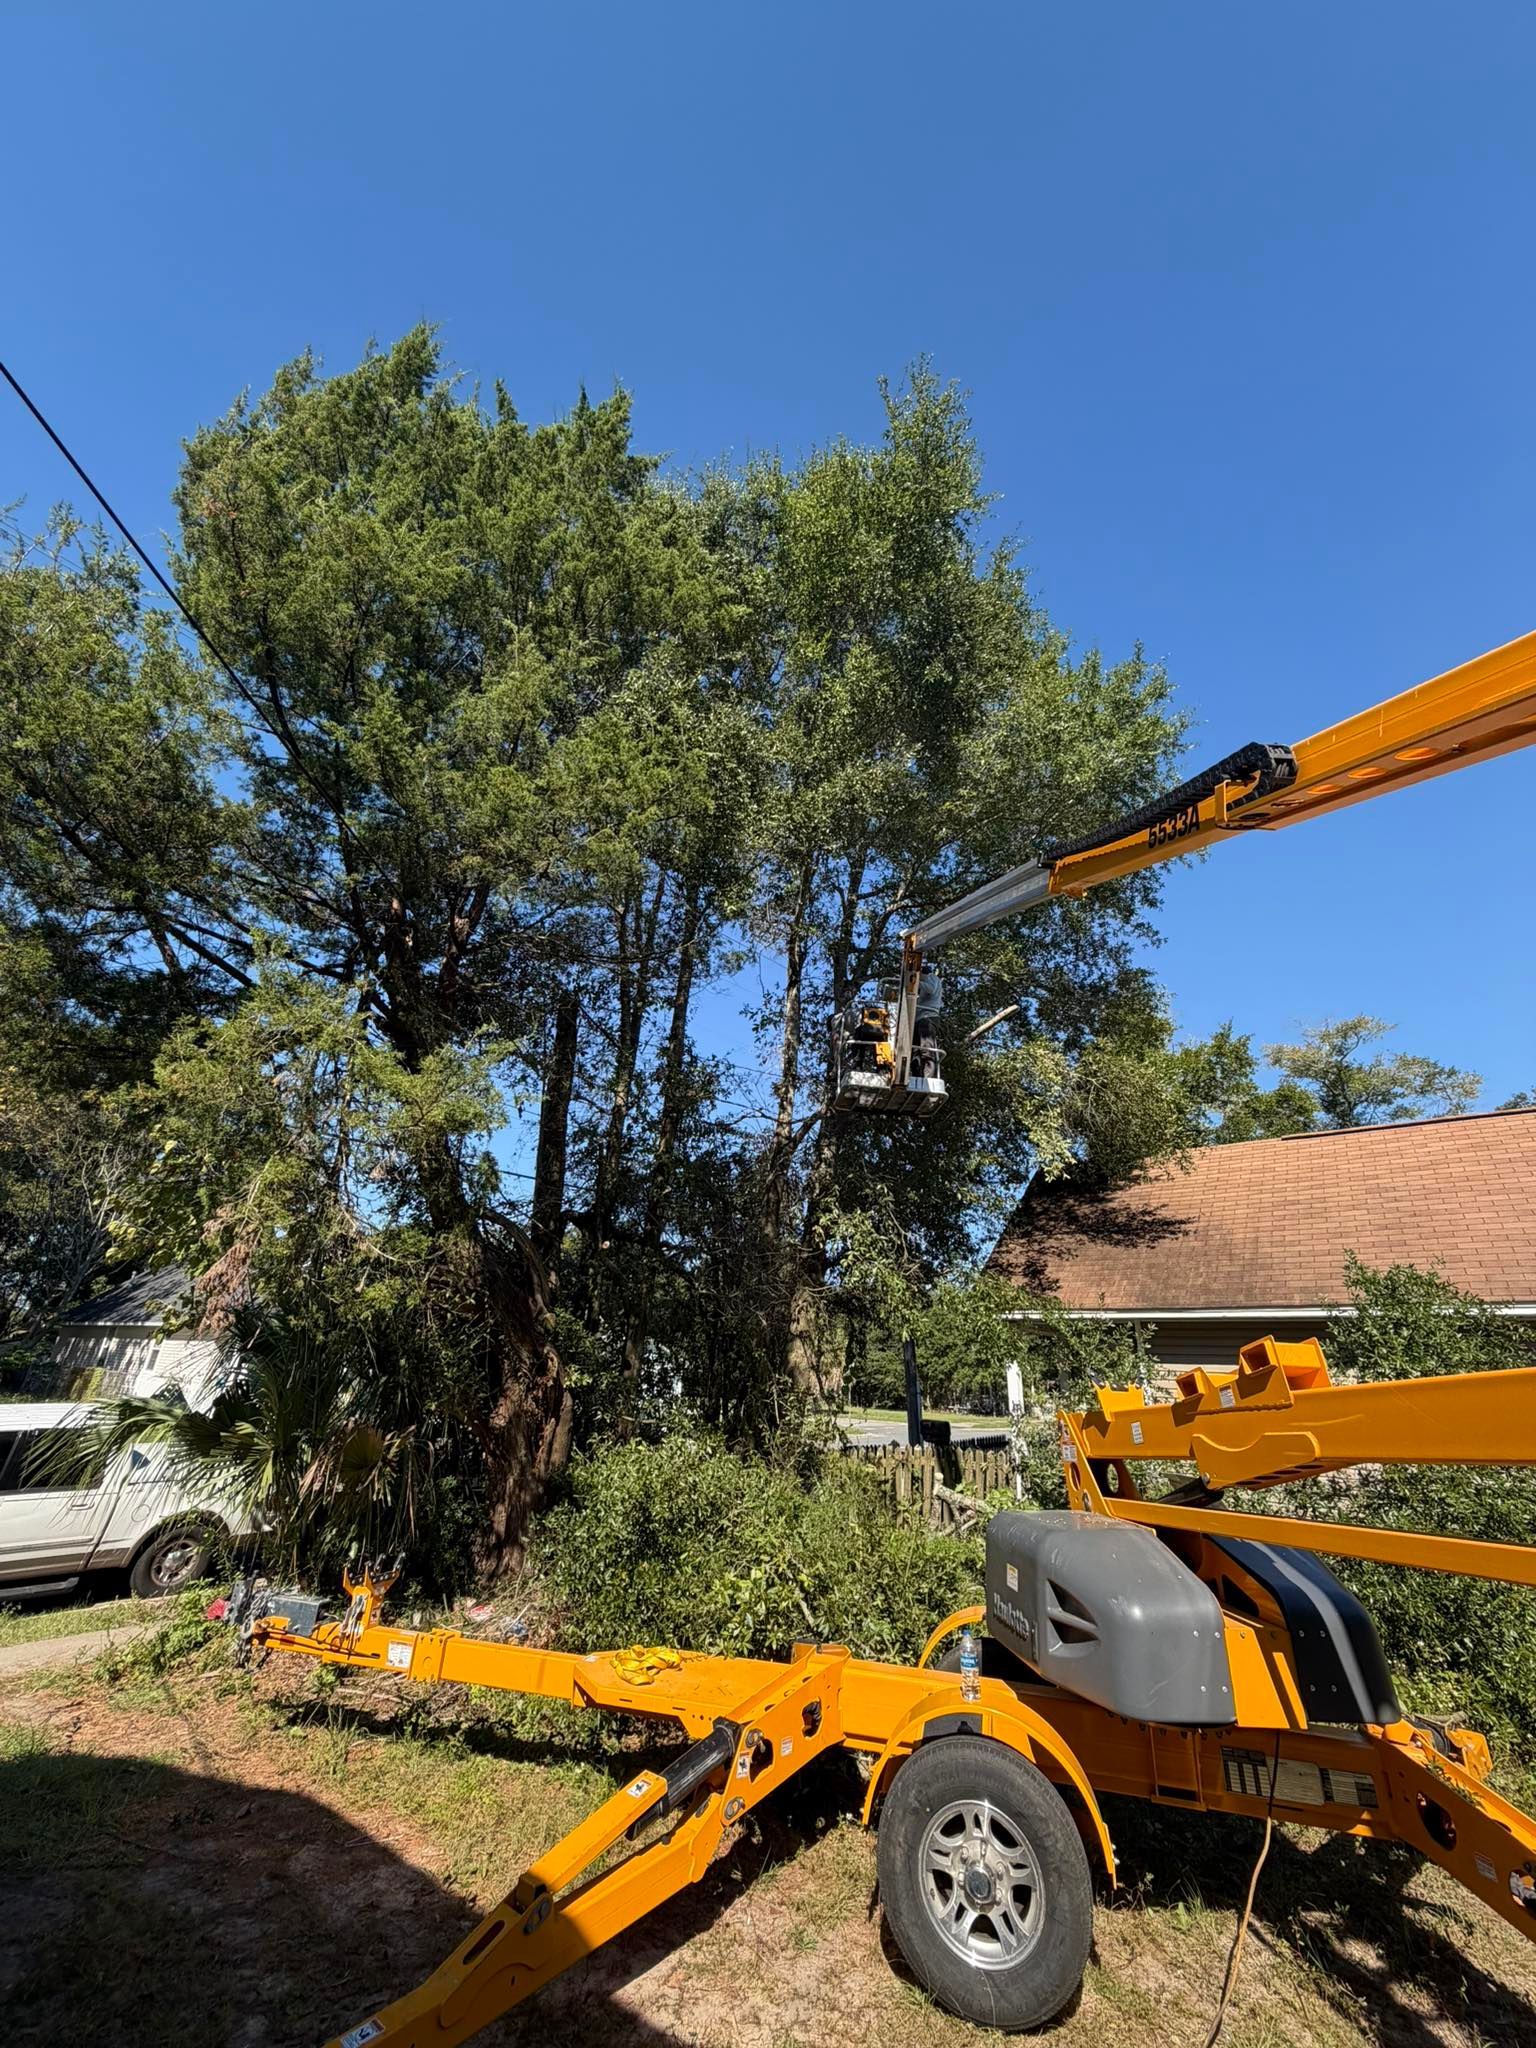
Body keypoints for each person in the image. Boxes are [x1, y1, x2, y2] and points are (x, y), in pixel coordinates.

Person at [914, 967, 943, 1079]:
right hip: (920, 1019)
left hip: (928, 1018)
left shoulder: (932, 978)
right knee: (916, 1049)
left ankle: (928, 1076)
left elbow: (930, 989)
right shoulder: (925, 983)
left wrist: (915, 980)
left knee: (926, 1047)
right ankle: (917, 1075)